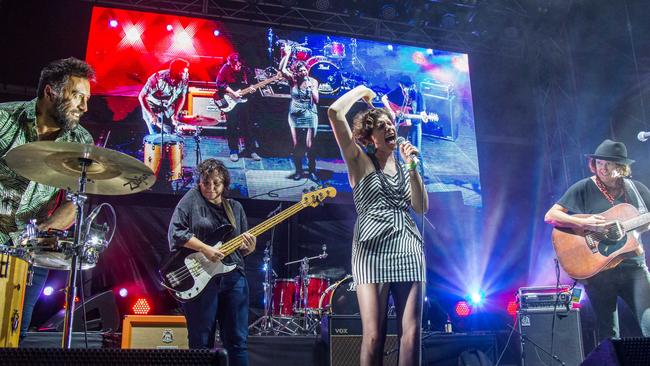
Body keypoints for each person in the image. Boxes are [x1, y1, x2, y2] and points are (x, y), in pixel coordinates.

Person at [328, 85, 428, 365]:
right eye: (382, 125)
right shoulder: (358, 161)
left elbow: (420, 207)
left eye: (390, 122)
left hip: (407, 244)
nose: (389, 127)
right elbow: (334, 113)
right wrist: (361, 91)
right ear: (370, 138)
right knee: (373, 335)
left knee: (411, 333)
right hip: (370, 249)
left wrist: (412, 167)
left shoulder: (404, 164)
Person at [0, 57, 95, 341]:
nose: (85, 107)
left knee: (14, 336)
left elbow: (75, 201)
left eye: (87, 99)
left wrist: (47, 227)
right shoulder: (4, 119)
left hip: (30, 251)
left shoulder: (80, 140)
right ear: (50, 91)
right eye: (77, 96)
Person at [545, 139, 650, 341]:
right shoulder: (584, 187)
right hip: (599, 272)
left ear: (621, 167)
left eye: (608, 163)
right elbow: (551, 216)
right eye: (599, 163)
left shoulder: (636, 189)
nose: (602, 168)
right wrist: (586, 224)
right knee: (609, 335)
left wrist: (639, 226)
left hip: (634, 267)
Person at [168, 158, 256, 365]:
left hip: (234, 279)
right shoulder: (191, 199)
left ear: (224, 184)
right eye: (205, 182)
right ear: (199, 181)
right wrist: (205, 249)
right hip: (202, 278)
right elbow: (176, 233)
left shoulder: (235, 208)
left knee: (237, 340)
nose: (210, 188)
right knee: (200, 340)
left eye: (216, 183)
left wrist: (249, 249)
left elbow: (241, 249)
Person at [279, 47, 320, 181]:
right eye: (301, 70)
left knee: (310, 145)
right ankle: (298, 171)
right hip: (295, 114)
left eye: (305, 70)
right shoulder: (293, 80)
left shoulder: (313, 82)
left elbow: (316, 100)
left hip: (310, 113)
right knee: (297, 145)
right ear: (297, 72)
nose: (304, 72)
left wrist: (311, 88)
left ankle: (312, 170)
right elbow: (282, 69)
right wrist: (287, 54)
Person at [216, 53, 261, 162]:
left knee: (248, 126)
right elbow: (219, 83)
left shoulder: (246, 70)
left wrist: (252, 88)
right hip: (231, 99)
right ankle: (234, 151)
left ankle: (251, 150)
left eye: (239, 66)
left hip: (244, 100)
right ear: (230, 63)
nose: (237, 68)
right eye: (234, 65)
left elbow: (251, 83)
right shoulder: (225, 68)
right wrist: (233, 93)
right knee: (232, 126)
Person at [381, 75, 427, 174]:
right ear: (401, 85)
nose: (407, 88)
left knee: (415, 149)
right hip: (403, 123)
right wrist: (392, 112)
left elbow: (422, 112)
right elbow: (384, 98)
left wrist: (424, 117)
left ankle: (417, 172)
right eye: (405, 86)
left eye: (409, 86)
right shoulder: (398, 91)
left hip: (415, 124)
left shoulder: (417, 95)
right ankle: (404, 172)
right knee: (401, 147)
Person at [138, 58, 189, 135]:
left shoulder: (184, 78)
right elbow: (142, 96)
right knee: (156, 135)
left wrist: (175, 114)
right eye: (183, 72)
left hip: (167, 107)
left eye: (186, 72)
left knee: (170, 133)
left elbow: (182, 97)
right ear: (175, 72)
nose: (186, 75)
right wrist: (152, 116)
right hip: (151, 107)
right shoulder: (157, 78)